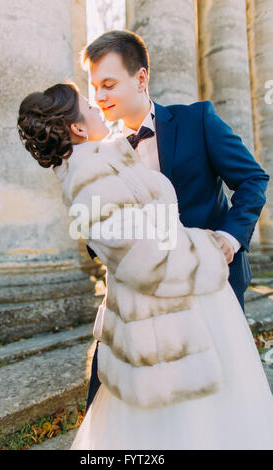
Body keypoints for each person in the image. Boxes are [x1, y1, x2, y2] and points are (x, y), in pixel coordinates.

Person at [17, 82, 273, 450]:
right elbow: (141, 261)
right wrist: (208, 249)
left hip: (182, 300)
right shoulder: (89, 178)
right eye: (89, 103)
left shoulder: (103, 161)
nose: (98, 105)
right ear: (76, 128)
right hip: (162, 314)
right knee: (181, 424)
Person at [80, 29, 271, 414]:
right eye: (94, 87)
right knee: (115, 392)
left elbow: (252, 179)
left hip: (211, 283)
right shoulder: (101, 153)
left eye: (108, 84)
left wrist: (231, 240)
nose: (99, 97)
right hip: (140, 294)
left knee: (215, 397)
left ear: (141, 78)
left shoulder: (198, 120)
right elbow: (94, 237)